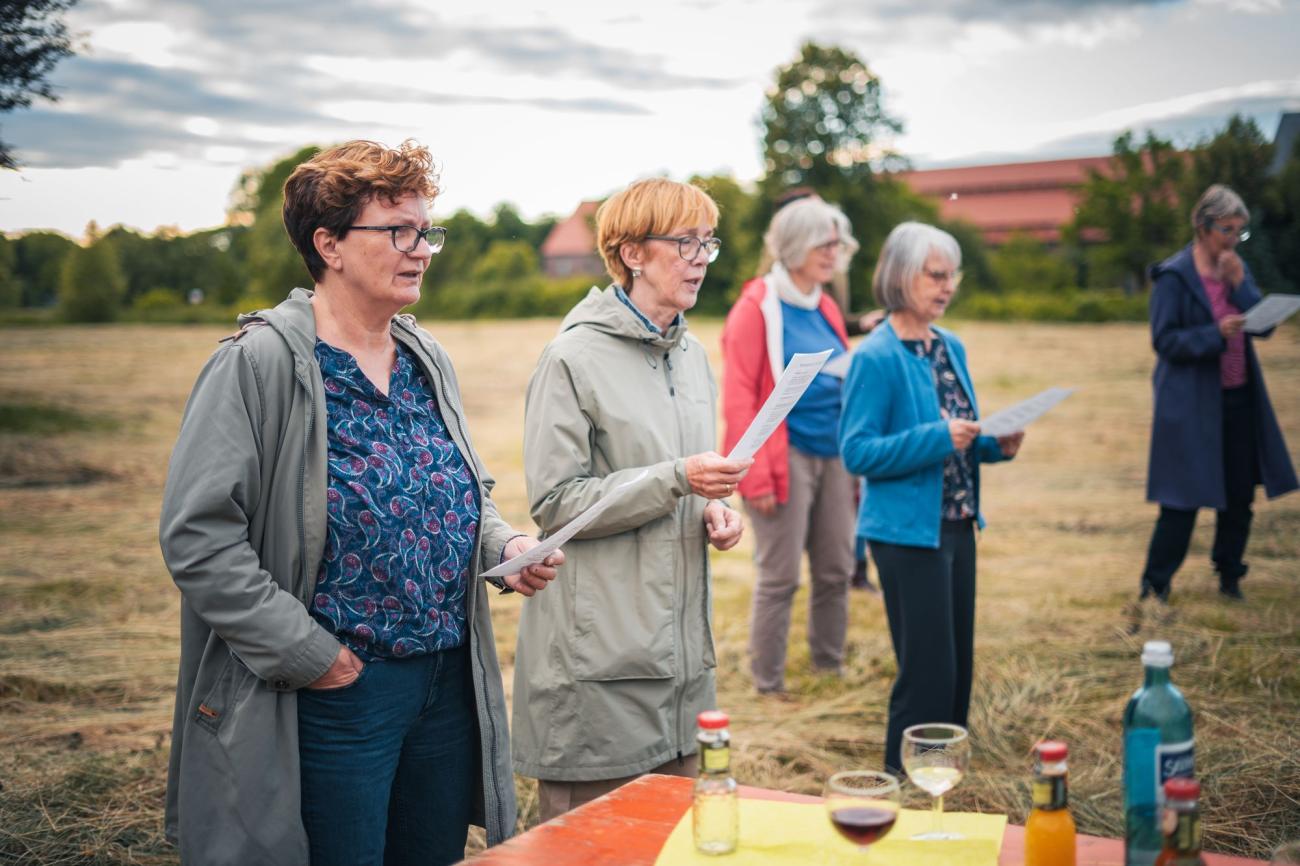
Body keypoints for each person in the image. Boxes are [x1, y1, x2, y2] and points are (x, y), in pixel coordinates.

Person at [159, 140, 561, 866]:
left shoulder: (422, 356)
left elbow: (454, 491)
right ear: (329, 244)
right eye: (398, 231)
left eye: (426, 231)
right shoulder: (259, 365)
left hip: (445, 682)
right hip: (334, 692)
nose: (421, 250)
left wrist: (503, 546)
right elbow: (199, 538)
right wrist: (312, 655)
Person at [512, 178, 749, 821]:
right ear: (632, 253)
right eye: (685, 241)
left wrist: (718, 512)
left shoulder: (694, 356)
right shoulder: (571, 358)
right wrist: (676, 479)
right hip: (600, 667)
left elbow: (688, 480)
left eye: (708, 242)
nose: (701, 256)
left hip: (684, 668)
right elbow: (557, 504)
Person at [838, 221, 1023, 773]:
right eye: (935, 275)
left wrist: (995, 445)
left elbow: (961, 438)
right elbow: (858, 452)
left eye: (952, 276)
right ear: (900, 275)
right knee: (927, 671)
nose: (946, 287)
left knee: (958, 666)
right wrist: (938, 437)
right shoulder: (876, 357)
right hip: (903, 533)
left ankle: (938, 771)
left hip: (959, 524)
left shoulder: (950, 346)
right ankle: (902, 780)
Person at [721, 196, 860, 696]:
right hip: (784, 456)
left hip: (836, 453)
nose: (834, 251)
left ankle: (829, 668)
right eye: (824, 242)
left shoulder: (824, 303)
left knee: (837, 568)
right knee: (780, 577)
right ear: (795, 243)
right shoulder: (755, 307)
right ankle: (769, 685)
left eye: (838, 242)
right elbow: (739, 395)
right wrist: (750, 472)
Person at [1139, 184, 1296, 603]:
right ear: (1203, 226)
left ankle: (1230, 575)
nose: (1232, 240)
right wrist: (1214, 334)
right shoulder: (1174, 276)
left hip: (1238, 396)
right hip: (1190, 403)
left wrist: (1241, 284)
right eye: (1227, 230)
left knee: (1239, 495)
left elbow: (1262, 324)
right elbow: (1164, 340)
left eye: (1239, 232)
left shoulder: (1234, 270)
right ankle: (1155, 585)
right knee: (1182, 498)